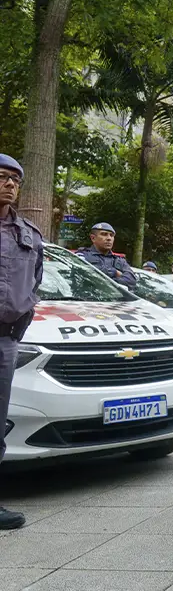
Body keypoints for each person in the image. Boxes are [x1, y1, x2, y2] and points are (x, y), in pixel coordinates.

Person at [0, 155, 43, 530]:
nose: (10, 184)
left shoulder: (28, 234)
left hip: (5, 340)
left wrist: (20, 323)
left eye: (15, 179)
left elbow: (34, 285)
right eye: (2, 177)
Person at [77, 222, 137, 290]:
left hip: (116, 299)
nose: (109, 238)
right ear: (93, 238)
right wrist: (115, 272)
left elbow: (131, 281)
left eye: (111, 235)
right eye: (104, 234)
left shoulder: (120, 260)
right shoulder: (82, 256)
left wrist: (108, 284)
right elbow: (88, 275)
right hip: (87, 299)